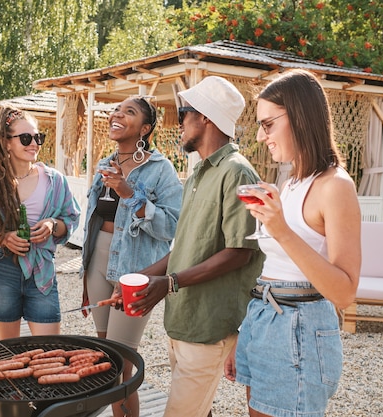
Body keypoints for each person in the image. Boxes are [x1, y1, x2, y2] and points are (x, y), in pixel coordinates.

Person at [225, 69, 361, 417]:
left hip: (297, 327)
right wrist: (246, 331)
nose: (260, 136)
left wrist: (281, 229)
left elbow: (344, 292)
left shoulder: (336, 187)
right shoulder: (292, 181)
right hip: (265, 316)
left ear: (299, 117)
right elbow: (276, 267)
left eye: (268, 124)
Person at [132, 76, 265, 417]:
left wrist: (171, 283)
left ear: (205, 116)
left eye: (182, 114)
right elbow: (186, 245)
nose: (178, 123)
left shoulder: (237, 173)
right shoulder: (197, 174)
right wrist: (144, 277)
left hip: (209, 324)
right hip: (183, 318)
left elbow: (240, 252)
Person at [80, 96, 183, 417]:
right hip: (97, 263)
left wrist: (130, 193)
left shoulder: (160, 169)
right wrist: (85, 277)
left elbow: (172, 226)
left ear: (145, 128)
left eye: (129, 112)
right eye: (116, 109)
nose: (117, 114)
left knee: (121, 367)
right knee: (104, 363)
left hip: (136, 270)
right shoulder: (105, 164)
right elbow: (93, 223)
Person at [0, 106, 80, 340]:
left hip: (42, 270)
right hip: (4, 269)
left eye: (37, 137)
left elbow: (70, 219)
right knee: (10, 354)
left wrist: (53, 224)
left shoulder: (54, 181)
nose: (34, 143)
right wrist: (3, 239)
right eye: (25, 138)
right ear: (6, 142)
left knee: (49, 351)